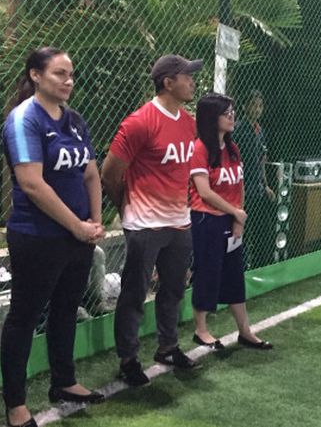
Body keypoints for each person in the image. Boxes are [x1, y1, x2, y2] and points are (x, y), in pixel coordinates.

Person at [1, 47, 105, 427]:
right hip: (37, 237)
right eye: (60, 74)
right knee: (24, 318)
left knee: (66, 311)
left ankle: (64, 382)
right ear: (35, 75)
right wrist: (76, 226)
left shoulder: (75, 120)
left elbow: (90, 173)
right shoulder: (23, 119)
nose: (68, 81)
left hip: (77, 237)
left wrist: (93, 221)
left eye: (71, 74)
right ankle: (15, 405)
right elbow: (31, 183)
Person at [101, 54, 202, 387]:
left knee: (173, 288)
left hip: (179, 223)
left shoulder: (188, 122)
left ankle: (167, 347)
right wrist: (127, 206)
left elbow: (181, 171)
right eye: (187, 76)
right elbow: (109, 172)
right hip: (144, 225)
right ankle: (128, 359)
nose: (192, 81)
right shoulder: (140, 122)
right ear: (168, 82)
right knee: (134, 293)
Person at [188, 93, 273, 350]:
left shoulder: (233, 149)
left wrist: (239, 216)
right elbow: (204, 192)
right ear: (212, 117)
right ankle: (200, 329)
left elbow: (239, 185)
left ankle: (244, 331)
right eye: (227, 113)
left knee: (235, 274)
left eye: (232, 112)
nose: (232, 117)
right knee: (207, 272)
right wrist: (235, 213)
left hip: (230, 219)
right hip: (207, 220)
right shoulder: (200, 148)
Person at [232, 90, 276, 269]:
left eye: (260, 106)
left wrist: (266, 185)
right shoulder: (238, 130)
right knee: (243, 232)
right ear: (245, 106)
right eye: (254, 105)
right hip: (243, 190)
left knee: (262, 230)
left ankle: (260, 266)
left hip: (257, 189)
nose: (257, 109)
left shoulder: (260, 131)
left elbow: (262, 161)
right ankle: (240, 267)